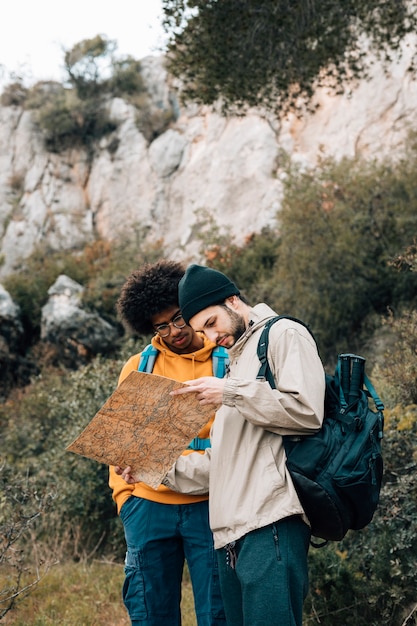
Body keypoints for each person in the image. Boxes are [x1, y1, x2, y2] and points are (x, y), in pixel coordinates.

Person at [119, 263, 326, 626]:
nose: (210, 336)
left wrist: (227, 391)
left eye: (210, 323)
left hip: (270, 519)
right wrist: (156, 468)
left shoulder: (282, 334)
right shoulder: (235, 358)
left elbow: (308, 413)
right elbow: (225, 461)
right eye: (204, 330)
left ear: (232, 299)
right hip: (230, 530)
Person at [109, 260, 226, 626]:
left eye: (178, 318)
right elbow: (120, 445)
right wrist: (126, 501)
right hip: (147, 508)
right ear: (149, 326)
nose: (174, 330)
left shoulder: (226, 359)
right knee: (150, 615)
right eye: (162, 325)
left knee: (218, 614)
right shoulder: (139, 366)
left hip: (212, 506)